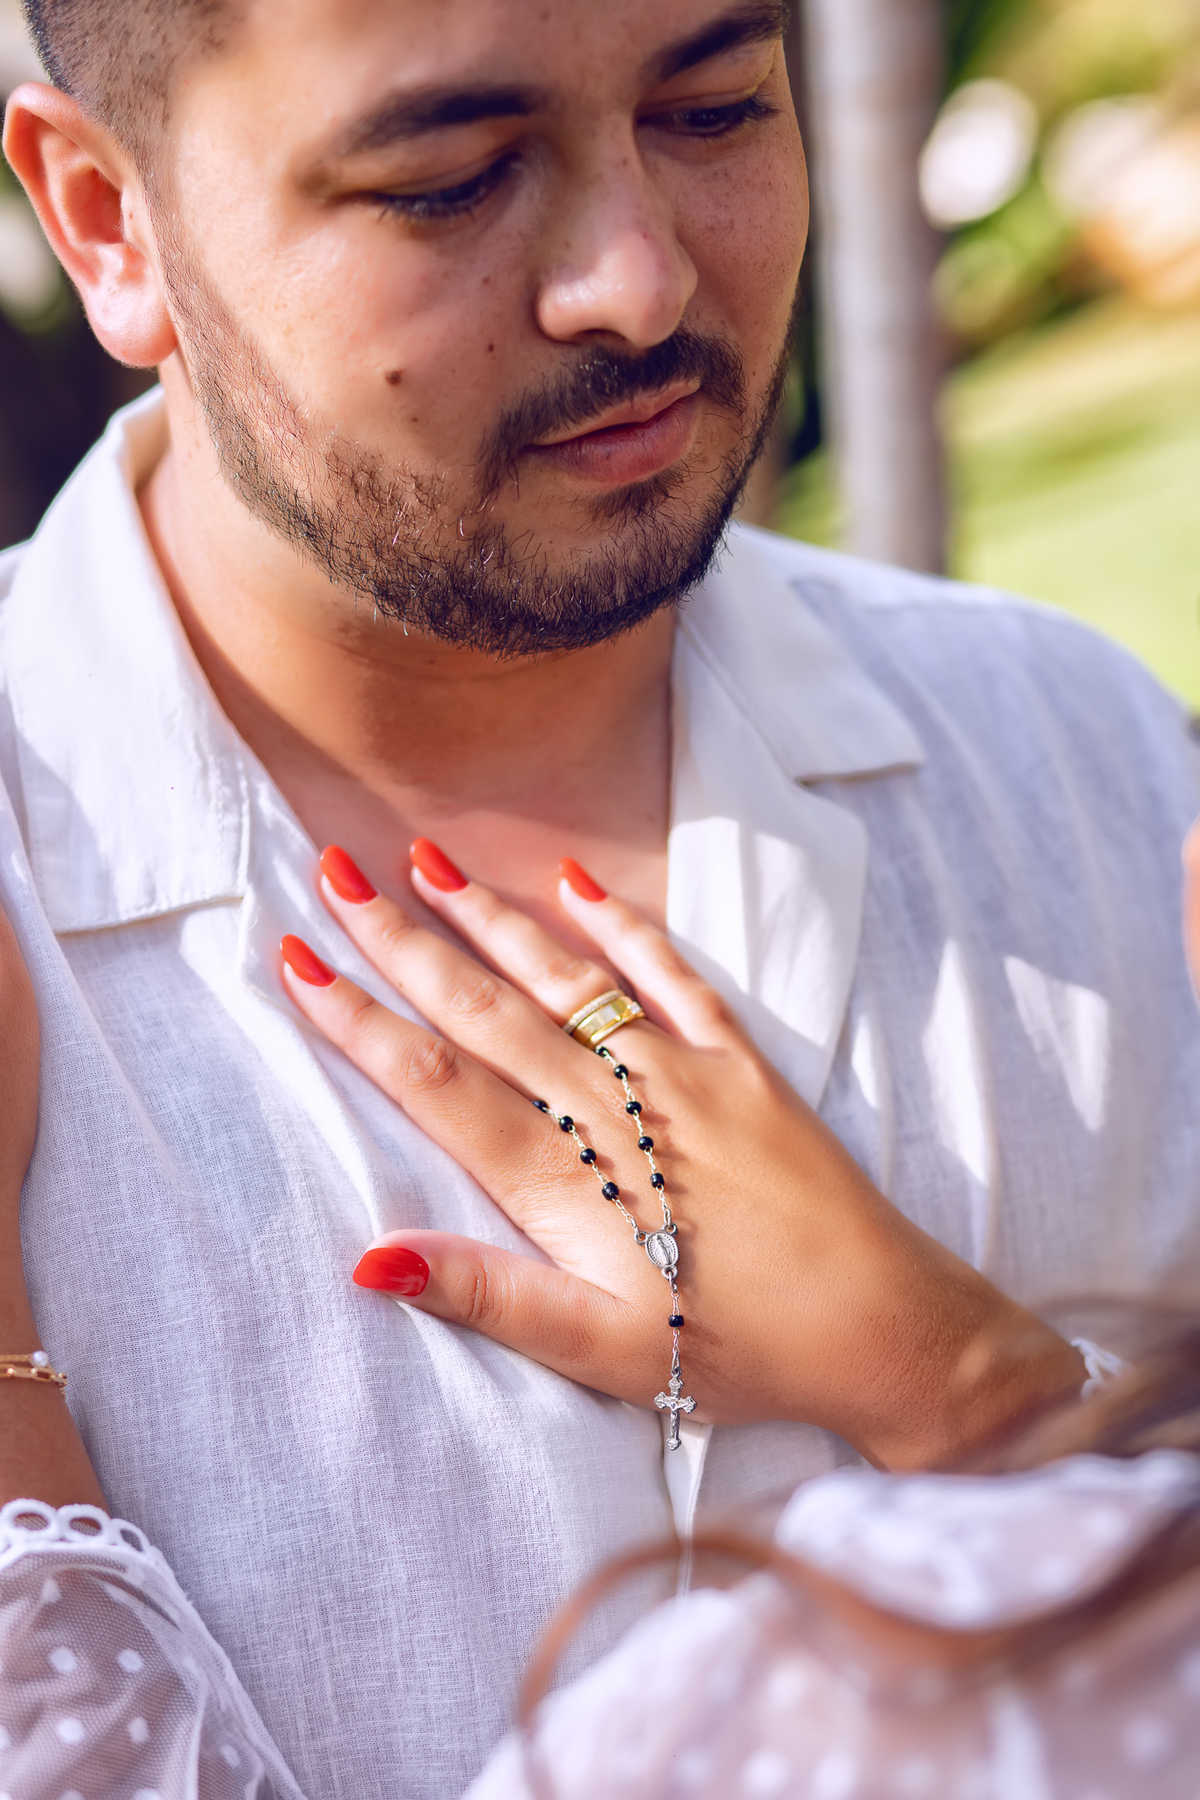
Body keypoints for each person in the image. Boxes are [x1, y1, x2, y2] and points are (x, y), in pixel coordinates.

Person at [0, 0, 1198, 1794]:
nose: (636, 281)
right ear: (108, 221)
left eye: (715, 109)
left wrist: (966, 1386)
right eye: (451, 180)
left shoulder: (1084, 761)